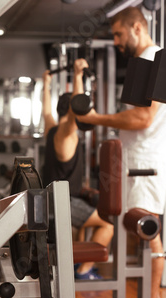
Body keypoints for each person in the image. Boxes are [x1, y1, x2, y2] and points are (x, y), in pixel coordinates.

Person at [76, 6, 166, 298]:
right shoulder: (149, 62)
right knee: (142, 235)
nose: (117, 41)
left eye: (120, 34)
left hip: (146, 166)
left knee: (147, 236)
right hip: (140, 164)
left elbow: (141, 119)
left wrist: (95, 119)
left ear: (137, 26)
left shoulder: (153, 59)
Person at [42, 61, 114, 280]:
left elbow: (46, 111)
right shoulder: (66, 133)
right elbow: (77, 108)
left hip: (51, 199)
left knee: (87, 223)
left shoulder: (51, 130)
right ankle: (84, 270)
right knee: (107, 225)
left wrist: (46, 84)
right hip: (63, 203)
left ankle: (75, 266)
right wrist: (77, 75)